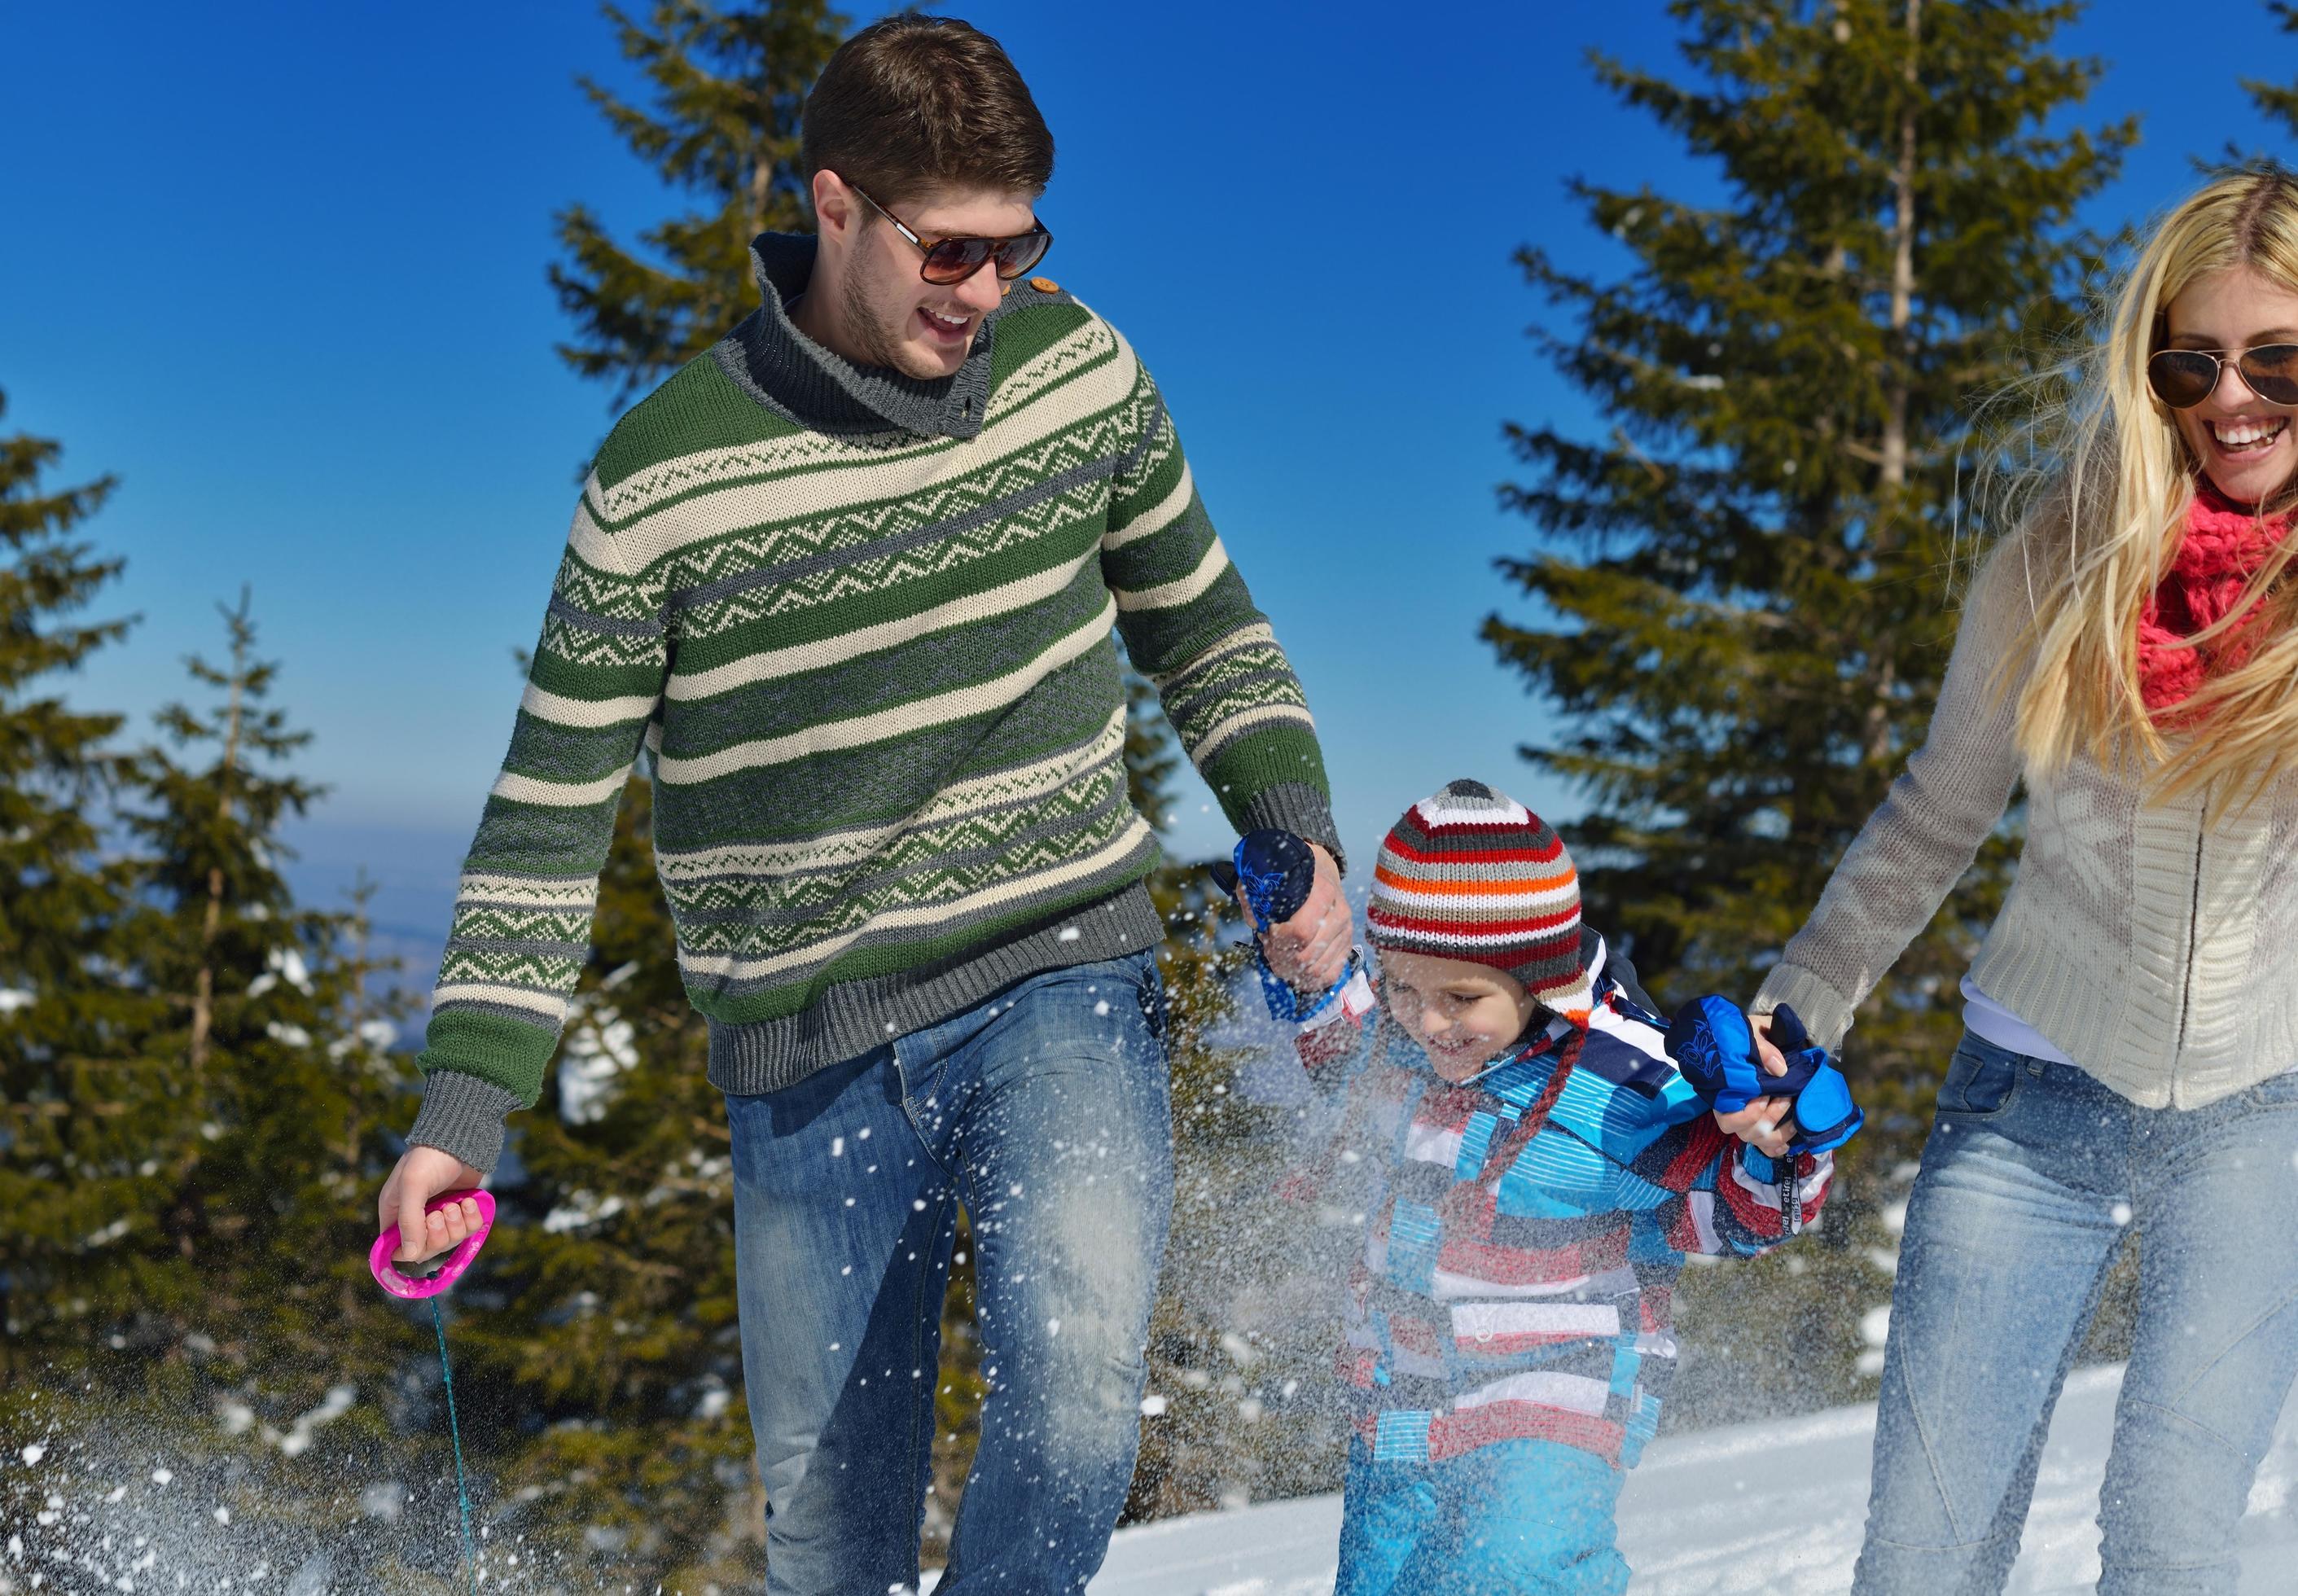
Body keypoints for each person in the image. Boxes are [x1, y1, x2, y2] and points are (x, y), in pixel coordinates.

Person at [371, 15, 1353, 1592]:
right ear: (835, 208)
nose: (985, 294)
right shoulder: (661, 482)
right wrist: (464, 1113)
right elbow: (550, 813)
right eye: (949, 253)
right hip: (809, 1051)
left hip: (1061, 968)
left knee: (1084, 1382)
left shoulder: (1079, 371)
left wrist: (1286, 812)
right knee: (832, 1545)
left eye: (1016, 248)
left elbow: (1201, 619)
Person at [1747, 163, 2298, 1594]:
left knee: (2171, 1548)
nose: (2230, 397)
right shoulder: (2053, 565)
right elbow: (1933, 816)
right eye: (2194, 360)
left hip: (2264, 1117)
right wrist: (1799, 1002)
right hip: (2028, 1104)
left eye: (2277, 357)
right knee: (1926, 1558)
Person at [1283, 782, 1837, 1594]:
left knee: (1519, 1568)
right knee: (1386, 1580)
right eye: (1403, 986)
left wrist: (1779, 1144)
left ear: (1534, 977)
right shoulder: (1402, 1041)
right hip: (1402, 1393)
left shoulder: (1622, 1083)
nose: (1427, 1021)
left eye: (1460, 998)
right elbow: (1341, 1044)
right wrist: (1304, 970)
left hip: (1557, 1382)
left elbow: (1736, 1218)